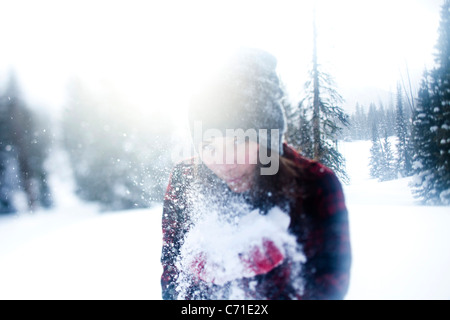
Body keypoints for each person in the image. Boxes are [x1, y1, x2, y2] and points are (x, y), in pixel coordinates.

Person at [161, 48, 351, 300]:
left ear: (267, 137)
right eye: (209, 147)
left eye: (238, 142)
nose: (225, 163)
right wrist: (192, 274)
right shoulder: (186, 180)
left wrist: (275, 274)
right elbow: (172, 281)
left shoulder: (315, 184)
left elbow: (330, 287)